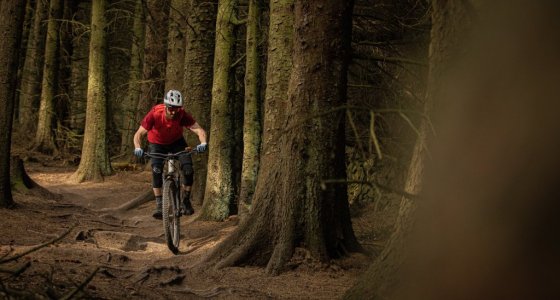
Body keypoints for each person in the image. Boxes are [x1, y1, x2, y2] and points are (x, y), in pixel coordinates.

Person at [133, 89, 207, 219]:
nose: (173, 111)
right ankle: (159, 204)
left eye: (176, 109)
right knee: (156, 170)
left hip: (177, 142)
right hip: (157, 144)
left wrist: (203, 143)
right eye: (171, 108)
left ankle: (185, 200)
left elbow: (199, 130)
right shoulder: (155, 113)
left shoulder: (182, 114)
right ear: (166, 106)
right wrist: (138, 147)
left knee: (188, 169)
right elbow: (139, 134)